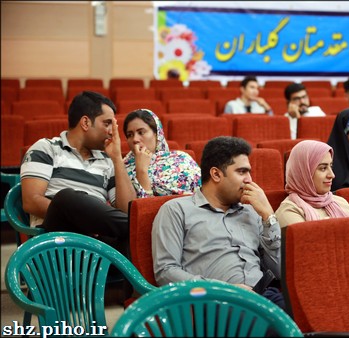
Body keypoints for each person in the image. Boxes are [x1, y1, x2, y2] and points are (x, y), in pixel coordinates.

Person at [152, 136, 284, 309]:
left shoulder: (252, 212)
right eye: (242, 172)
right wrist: (223, 289)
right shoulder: (176, 210)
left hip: (265, 296)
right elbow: (165, 272)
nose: (249, 180)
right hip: (215, 301)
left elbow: (280, 271)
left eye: (249, 172)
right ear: (216, 174)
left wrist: (268, 216)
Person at [20, 91, 135, 253]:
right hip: (57, 238)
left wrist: (117, 159)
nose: (111, 132)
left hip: (98, 239)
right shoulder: (46, 148)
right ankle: (146, 226)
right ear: (86, 122)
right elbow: (31, 201)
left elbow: (127, 209)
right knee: (67, 197)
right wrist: (84, 219)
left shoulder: (107, 160)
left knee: (133, 240)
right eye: (107, 123)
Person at [122, 109, 201, 198]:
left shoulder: (181, 158)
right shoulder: (123, 169)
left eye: (141, 132)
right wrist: (141, 170)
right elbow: (142, 207)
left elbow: (203, 194)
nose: (135, 139)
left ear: (157, 134)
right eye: (130, 135)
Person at [275, 140, 349, 227]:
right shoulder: (289, 213)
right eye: (323, 168)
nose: (332, 175)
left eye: (331, 166)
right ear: (304, 173)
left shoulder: (340, 203)